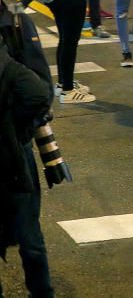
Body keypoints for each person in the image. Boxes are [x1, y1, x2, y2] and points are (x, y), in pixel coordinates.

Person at [0, 17, 56, 296]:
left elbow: (41, 91)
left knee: (29, 234)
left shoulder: (17, 24)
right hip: (12, 147)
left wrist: (17, 129)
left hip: (14, 148)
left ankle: (42, 291)